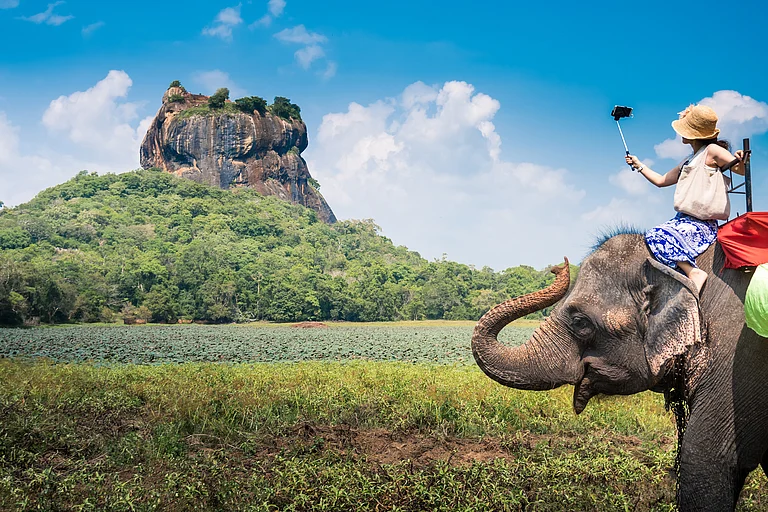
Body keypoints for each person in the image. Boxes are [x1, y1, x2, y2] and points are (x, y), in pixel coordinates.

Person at [625, 104, 750, 294]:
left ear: (694, 134)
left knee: (656, 235)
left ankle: (694, 273)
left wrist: (740, 158)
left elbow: (739, 169)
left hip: (701, 224)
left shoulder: (712, 151)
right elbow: (661, 180)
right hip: (681, 221)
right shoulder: (688, 160)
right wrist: (639, 165)